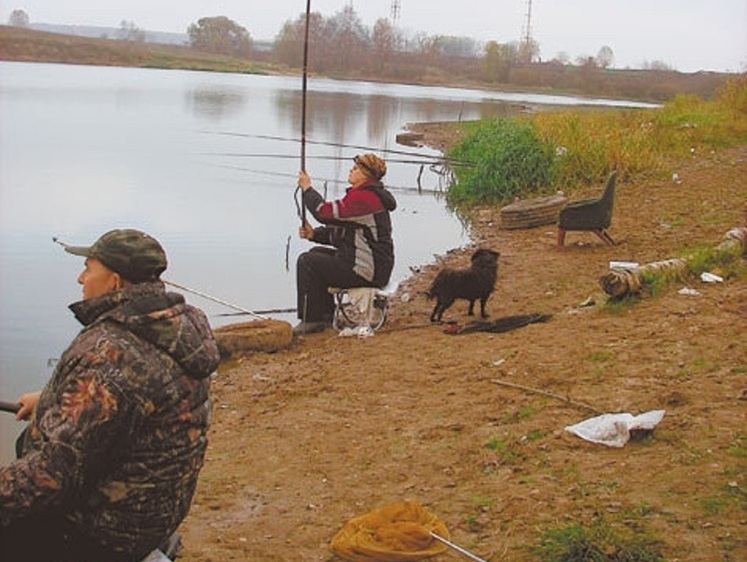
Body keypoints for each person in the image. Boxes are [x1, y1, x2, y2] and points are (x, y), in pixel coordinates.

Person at [0, 228, 220, 562]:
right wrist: (49, 399)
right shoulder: (177, 326)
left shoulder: (110, 352)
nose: (80, 278)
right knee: (24, 451)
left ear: (115, 282)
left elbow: (51, 476)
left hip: (104, 534)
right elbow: (138, 389)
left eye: (88, 268)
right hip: (155, 514)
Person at [295, 153, 397, 334]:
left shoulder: (364, 199)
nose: (351, 170)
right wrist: (313, 234)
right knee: (316, 252)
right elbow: (343, 233)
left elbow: (323, 212)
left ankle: (311, 319)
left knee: (307, 261)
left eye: (356, 168)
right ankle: (324, 315)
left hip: (369, 271)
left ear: (366, 175)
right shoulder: (366, 196)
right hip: (374, 266)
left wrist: (307, 189)